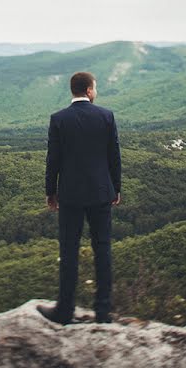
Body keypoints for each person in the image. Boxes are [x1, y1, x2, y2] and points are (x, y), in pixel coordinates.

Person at [38, 71, 122, 325]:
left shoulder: (59, 119)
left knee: (69, 251)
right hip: (100, 193)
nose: (95, 92)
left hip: (71, 195)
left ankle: (64, 312)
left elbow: (53, 160)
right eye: (95, 88)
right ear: (88, 90)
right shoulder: (106, 116)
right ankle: (103, 312)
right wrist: (115, 188)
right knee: (103, 249)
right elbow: (113, 157)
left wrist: (50, 192)